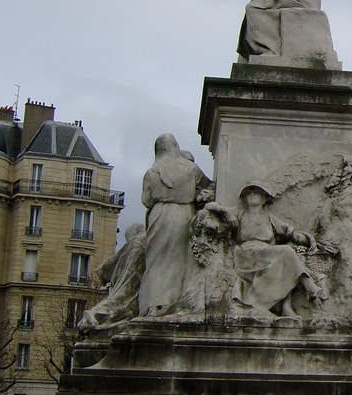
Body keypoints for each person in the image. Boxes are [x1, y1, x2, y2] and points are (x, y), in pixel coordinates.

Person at [225, 181, 323, 318]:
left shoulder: (270, 218)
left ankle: (286, 307)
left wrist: (311, 241)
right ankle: (309, 286)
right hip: (246, 255)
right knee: (285, 252)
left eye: (256, 192)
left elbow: (292, 234)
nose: (252, 195)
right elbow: (210, 206)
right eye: (249, 193)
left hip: (266, 255)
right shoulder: (238, 214)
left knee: (285, 257)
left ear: (264, 198)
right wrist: (226, 213)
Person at [137, 134, 211, 315]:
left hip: (160, 215)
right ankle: (175, 302)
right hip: (185, 214)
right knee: (182, 261)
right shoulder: (191, 168)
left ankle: (152, 306)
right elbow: (210, 186)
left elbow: (146, 200)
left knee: (156, 261)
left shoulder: (151, 172)